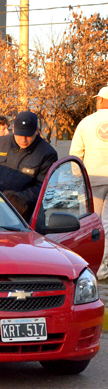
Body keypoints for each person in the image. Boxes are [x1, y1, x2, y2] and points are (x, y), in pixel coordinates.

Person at [0, 111, 58, 221]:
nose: (24, 140)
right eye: (20, 135)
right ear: (14, 129)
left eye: (28, 136)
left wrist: (16, 200)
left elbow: (43, 186)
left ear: (36, 131)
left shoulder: (47, 153)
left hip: (25, 215)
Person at [70, 86, 108, 279]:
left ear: (100, 100)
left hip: (93, 180)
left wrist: (79, 179)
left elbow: (76, 154)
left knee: (96, 224)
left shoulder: (86, 122)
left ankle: (99, 269)